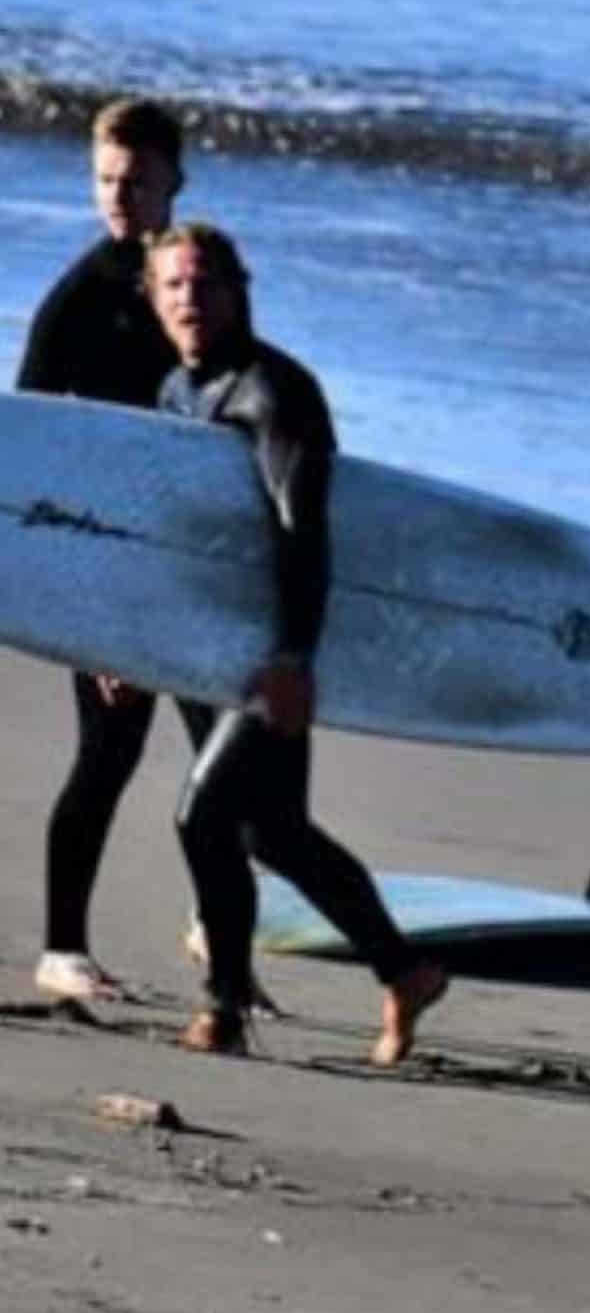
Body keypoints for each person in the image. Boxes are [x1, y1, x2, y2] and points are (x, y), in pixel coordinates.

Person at [143, 222, 447, 1062]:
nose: (189, 300)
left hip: (271, 647)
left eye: (205, 283)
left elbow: (302, 532)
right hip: (206, 645)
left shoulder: (273, 393)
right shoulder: (174, 389)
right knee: (270, 832)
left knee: (202, 816)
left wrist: (293, 658)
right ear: (151, 297)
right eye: (172, 286)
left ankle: (224, 1009)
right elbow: (165, 535)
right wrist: (127, 646)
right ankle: (405, 970)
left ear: (241, 290)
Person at [13, 98, 187, 1001]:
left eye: (137, 180)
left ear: (174, 184)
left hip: (188, 559)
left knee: (226, 753)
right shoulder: (79, 300)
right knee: (109, 753)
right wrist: (89, 618)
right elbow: (28, 455)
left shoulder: (195, 283)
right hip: (110, 564)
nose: (120, 196)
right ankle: (62, 947)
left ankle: (219, 937)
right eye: (107, 180)